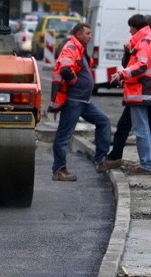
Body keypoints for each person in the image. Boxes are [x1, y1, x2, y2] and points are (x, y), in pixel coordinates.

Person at [101, 15, 151, 173]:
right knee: (132, 127)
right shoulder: (149, 42)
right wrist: (128, 53)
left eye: (131, 28)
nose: (129, 31)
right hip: (145, 91)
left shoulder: (147, 42)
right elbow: (131, 64)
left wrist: (123, 75)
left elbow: (143, 67)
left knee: (146, 129)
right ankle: (140, 161)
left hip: (145, 92)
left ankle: (149, 164)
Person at [47, 22, 112, 181]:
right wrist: (75, 81)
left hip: (83, 101)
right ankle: (59, 170)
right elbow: (65, 69)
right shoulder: (72, 48)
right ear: (78, 34)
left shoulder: (80, 49)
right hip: (74, 100)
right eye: (87, 33)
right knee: (64, 136)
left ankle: (100, 160)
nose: (90, 37)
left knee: (104, 122)